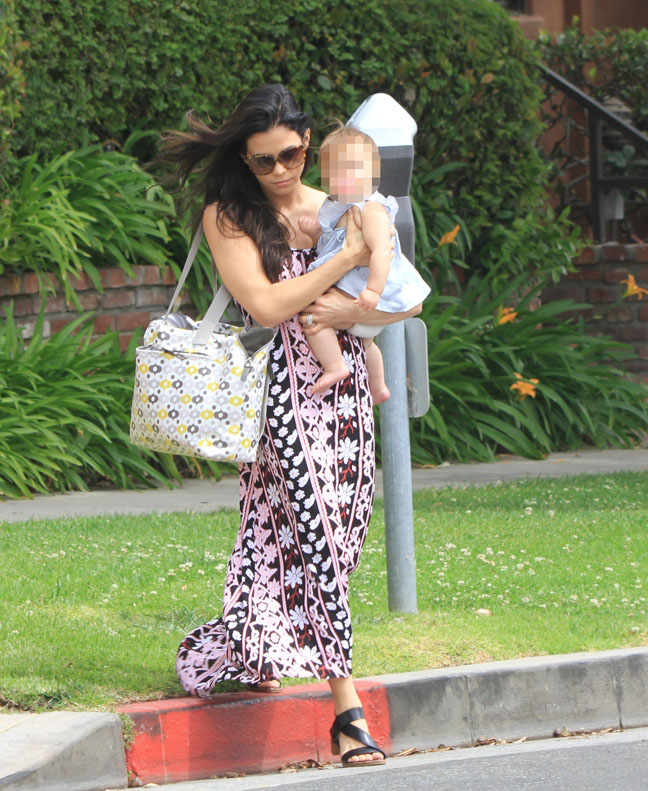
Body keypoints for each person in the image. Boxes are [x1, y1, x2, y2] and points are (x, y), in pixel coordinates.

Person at [158, 84, 422, 768]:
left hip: (347, 394)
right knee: (315, 535)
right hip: (280, 395)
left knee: (333, 530)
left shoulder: (342, 205)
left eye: (290, 154)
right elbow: (267, 304)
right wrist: (339, 264)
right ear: (244, 161)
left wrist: (347, 315)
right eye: (262, 160)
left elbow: (401, 300)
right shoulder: (231, 215)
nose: (279, 170)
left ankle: (243, 642)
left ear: (309, 142)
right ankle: (348, 710)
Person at [300, 125, 431, 400]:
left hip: (363, 290)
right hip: (358, 293)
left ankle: (335, 366)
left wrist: (372, 290)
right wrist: (314, 231)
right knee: (368, 342)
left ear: (372, 173)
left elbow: (382, 251)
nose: (343, 178)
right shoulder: (338, 206)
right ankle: (379, 387)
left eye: (353, 169)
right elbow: (329, 242)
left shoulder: (371, 209)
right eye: (335, 171)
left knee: (313, 318)